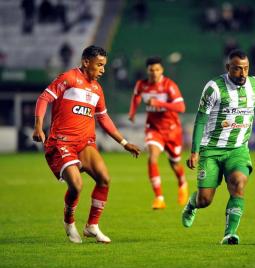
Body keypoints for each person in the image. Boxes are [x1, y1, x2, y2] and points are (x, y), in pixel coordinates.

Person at [32, 45, 141, 244]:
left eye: (104, 65)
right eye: (99, 65)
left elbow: (104, 118)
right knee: (76, 185)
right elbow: (44, 98)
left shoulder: (97, 89)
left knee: (104, 178)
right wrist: (39, 127)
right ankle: (69, 222)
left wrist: (124, 143)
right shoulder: (69, 78)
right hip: (62, 142)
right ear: (85, 62)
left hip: (85, 144)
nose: (103, 69)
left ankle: (92, 226)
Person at [182, 49, 255, 244]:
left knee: (238, 183)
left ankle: (230, 234)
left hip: (238, 149)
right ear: (228, 67)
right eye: (237, 69)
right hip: (210, 150)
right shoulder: (214, 88)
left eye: (246, 69)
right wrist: (194, 151)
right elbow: (200, 120)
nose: (243, 73)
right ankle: (191, 205)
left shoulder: (254, 83)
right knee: (205, 200)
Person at [128, 56, 188, 210]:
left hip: (172, 129)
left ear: (162, 70)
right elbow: (136, 96)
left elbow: (181, 107)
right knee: (152, 157)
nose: (154, 73)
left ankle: (182, 183)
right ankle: (159, 198)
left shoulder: (169, 85)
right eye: (151, 70)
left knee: (174, 163)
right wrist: (132, 112)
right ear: (147, 71)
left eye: (157, 69)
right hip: (153, 128)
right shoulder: (141, 84)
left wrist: (159, 103)